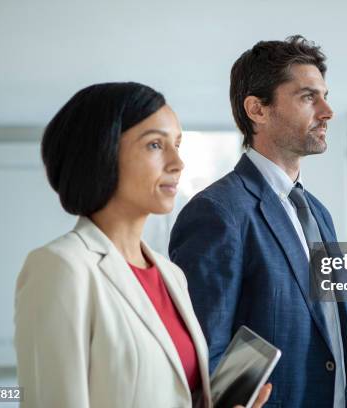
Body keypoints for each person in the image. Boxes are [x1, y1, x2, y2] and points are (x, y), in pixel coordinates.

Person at [14, 82, 271, 408]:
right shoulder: (60, 267)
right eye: (154, 145)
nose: (177, 163)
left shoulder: (171, 275)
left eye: (177, 144)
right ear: (100, 152)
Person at [169, 36, 347, 407]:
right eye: (308, 97)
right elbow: (203, 360)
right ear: (257, 110)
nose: (327, 111)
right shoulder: (217, 212)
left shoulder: (317, 212)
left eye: (325, 95)